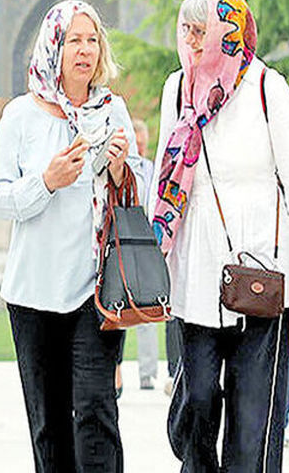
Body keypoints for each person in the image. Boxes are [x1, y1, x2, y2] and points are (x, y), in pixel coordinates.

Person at [148, 0, 289, 472]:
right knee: (199, 399)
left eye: (200, 30)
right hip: (195, 274)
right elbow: (166, 176)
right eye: (185, 29)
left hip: (261, 274)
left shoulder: (268, 87)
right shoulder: (176, 88)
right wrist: (152, 256)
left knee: (255, 418)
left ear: (227, 31)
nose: (189, 40)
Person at [0, 0, 141, 472]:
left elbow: (135, 200)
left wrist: (120, 172)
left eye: (92, 39)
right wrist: (47, 181)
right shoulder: (21, 116)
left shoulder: (113, 112)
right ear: (53, 47)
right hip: (34, 294)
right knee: (49, 420)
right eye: (74, 40)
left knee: (96, 410)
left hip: (95, 292)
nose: (85, 50)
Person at [129, 118, 161, 391]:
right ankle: (113, 372)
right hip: (126, 241)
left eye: (142, 142)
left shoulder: (153, 170)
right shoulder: (123, 168)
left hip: (148, 244)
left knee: (148, 311)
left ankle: (147, 373)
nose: (139, 146)